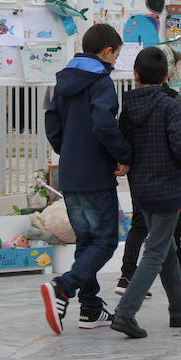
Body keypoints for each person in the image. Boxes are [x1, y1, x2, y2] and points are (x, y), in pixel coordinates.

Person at [40, 24, 132, 335]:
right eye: (116, 55)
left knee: (87, 242)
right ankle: (63, 288)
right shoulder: (101, 82)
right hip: (95, 173)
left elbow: (51, 122)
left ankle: (91, 308)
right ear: (107, 51)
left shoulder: (61, 80)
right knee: (105, 241)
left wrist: (68, 149)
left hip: (71, 174)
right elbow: (104, 124)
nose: (116, 62)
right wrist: (124, 155)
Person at [111, 46, 181, 338]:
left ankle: (180, 309)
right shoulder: (170, 106)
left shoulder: (128, 108)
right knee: (155, 251)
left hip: (141, 188)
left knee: (167, 249)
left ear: (135, 75)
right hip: (167, 188)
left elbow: (125, 145)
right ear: (166, 76)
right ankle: (126, 313)